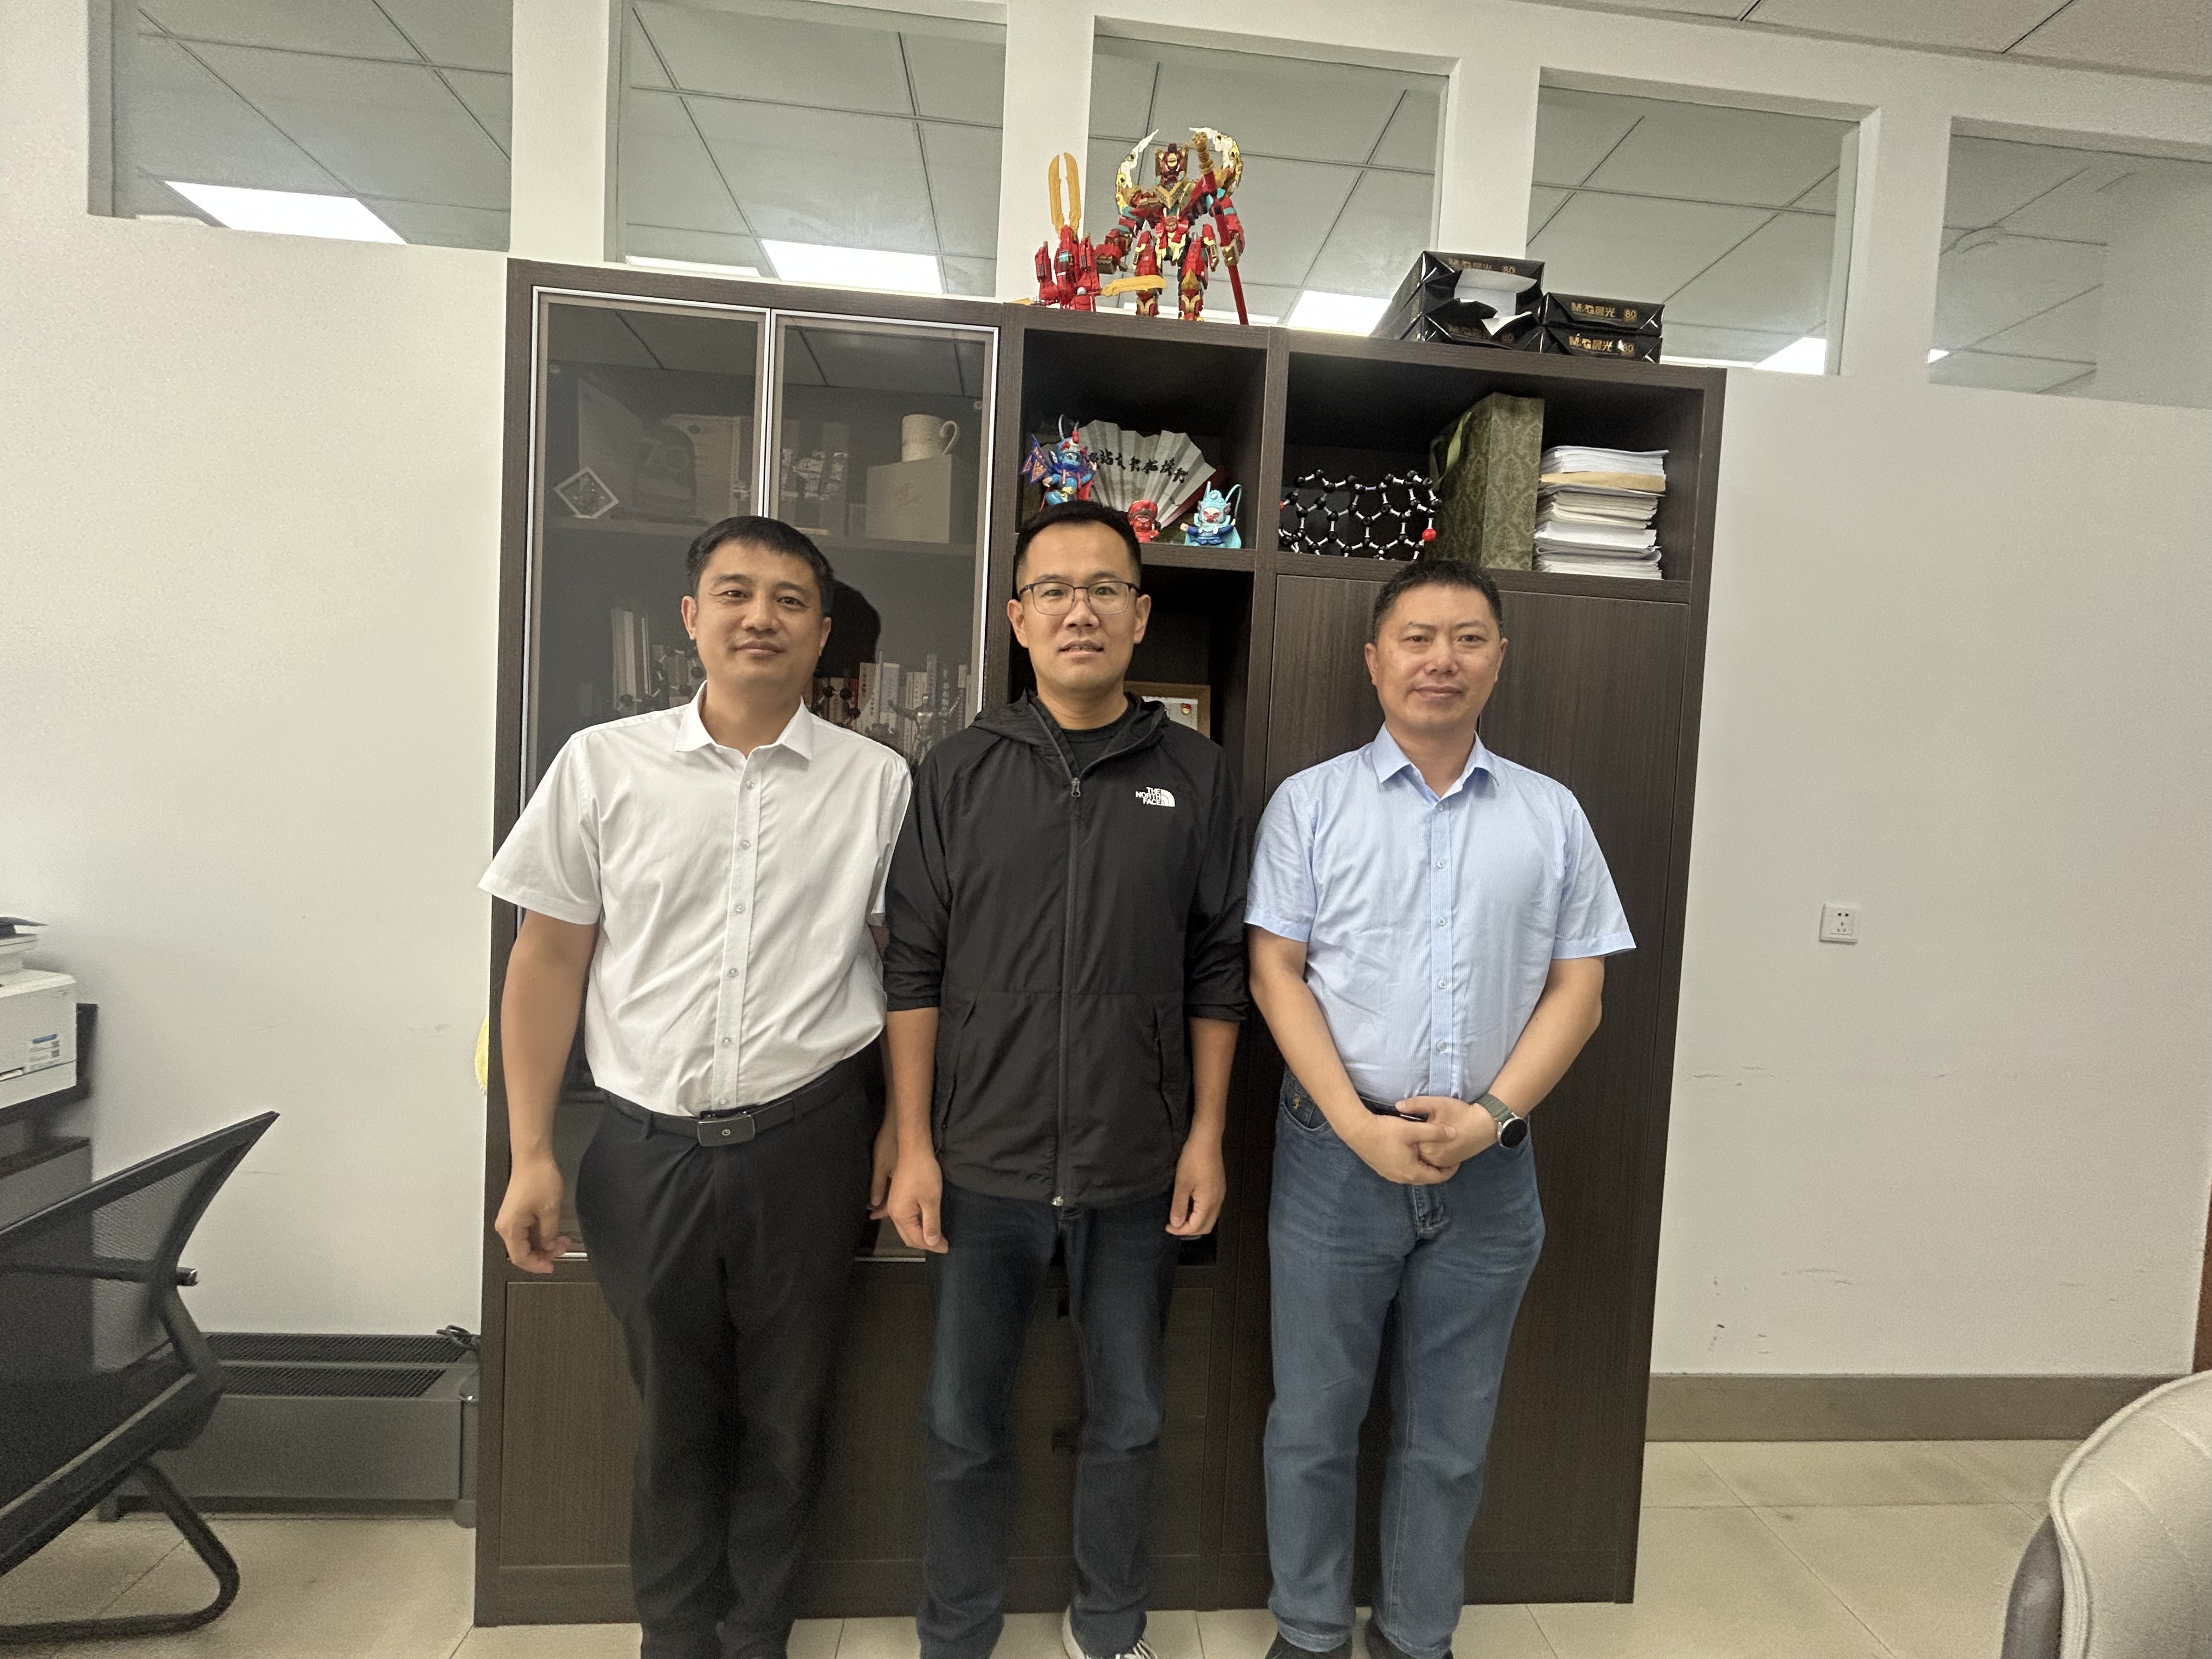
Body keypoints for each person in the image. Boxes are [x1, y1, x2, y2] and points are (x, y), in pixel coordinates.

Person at [482, 517, 911, 1659]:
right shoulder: (601, 765)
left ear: (822, 632)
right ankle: (675, 1638)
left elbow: (908, 973)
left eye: (788, 600)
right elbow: (546, 962)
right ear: (691, 617)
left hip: (812, 1140)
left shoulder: (878, 783)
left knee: (789, 1417)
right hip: (644, 1148)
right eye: (735, 593)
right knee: (671, 1414)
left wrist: (902, 1131)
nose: (759, 617)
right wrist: (532, 1151)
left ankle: (759, 1635)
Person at [879, 499, 1248, 1659]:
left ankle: (1110, 1623)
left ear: (1140, 615)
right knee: (959, 1422)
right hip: (977, 1163)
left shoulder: (1197, 774)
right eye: (1053, 590)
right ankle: (957, 1630)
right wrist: (915, 1145)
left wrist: (1205, 1135)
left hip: (1136, 1163)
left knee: (1129, 1416)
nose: (1078, 610)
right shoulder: (957, 770)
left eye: (1103, 589)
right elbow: (912, 966)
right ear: (1017, 619)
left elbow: (1219, 967)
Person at [1246, 561, 1632, 1659]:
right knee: (1312, 1423)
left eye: (1467, 639)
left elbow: (1581, 990)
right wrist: (1358, 1125)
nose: (1441, 660)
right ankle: (1309, 1633)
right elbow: (1275, 971)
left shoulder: (1551, 814)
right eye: (1417, 638)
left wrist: (1494, 1116)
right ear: (1375, 660)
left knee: (1450, 1433)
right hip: (1335, 1153)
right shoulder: (1311, 804)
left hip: (1491, 1166)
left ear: (1498, 660)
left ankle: (1417, 1637)